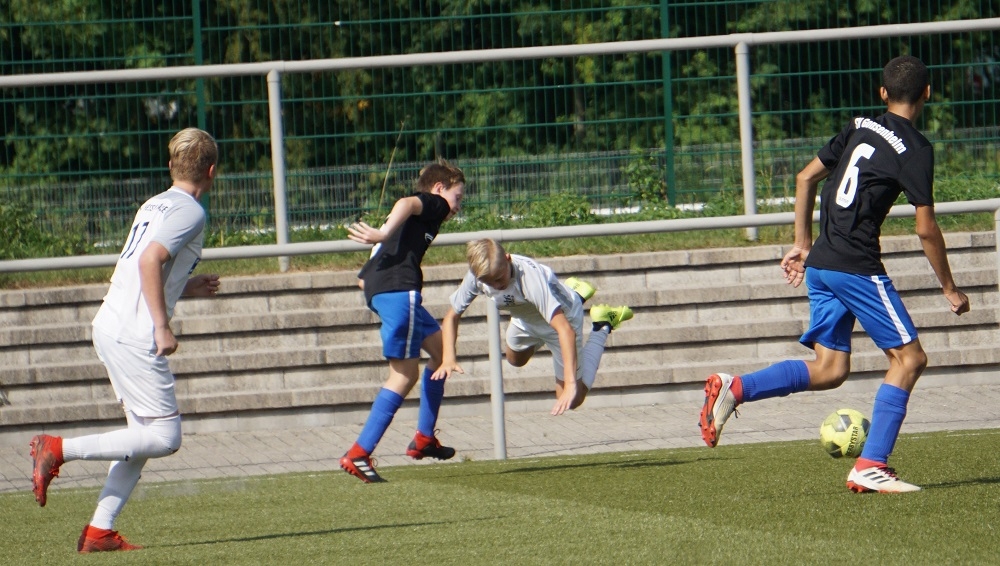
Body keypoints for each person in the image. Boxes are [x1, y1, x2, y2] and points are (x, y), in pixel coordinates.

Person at [698, 55, 970, 493]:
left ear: (883, 93)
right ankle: (871, 464)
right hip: (855, 265)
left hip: (822, 264)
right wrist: (950, 287)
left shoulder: (860, 125)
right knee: (910, 359)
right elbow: (925, 228)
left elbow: (806, 178)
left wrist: (802, 244)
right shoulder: (917, 149)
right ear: (927, 93)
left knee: (830, 369)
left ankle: (736, 387)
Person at [29, 127, 221, 552]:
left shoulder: (155, 203)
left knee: (142, 437)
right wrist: (161, 326)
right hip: (134, 333)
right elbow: (150, 261)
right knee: (165, 437)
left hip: (112, 323)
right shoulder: (191, 211)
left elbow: (143, 266)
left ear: (171, 167)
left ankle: (100, 531)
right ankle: (57, 448)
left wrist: (186, 287)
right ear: (212, 171)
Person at [339, 161, 465, 483]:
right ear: (439, 189)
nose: (456, 207)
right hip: (399, 291)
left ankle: (424, 438)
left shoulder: (412, 221)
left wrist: (383, 240)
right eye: (457, 197)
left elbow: (364, 278)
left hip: (383, 291)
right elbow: (407, 202)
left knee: (442, 354)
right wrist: (382, 233)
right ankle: (359, 453)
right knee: (404, 375)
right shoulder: (433, 204)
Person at [433, 238, 633, 416]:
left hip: (562, 321)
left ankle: (602, 324)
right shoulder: (477, 275)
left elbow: (565, 331)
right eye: (489, 282)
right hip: (526, 319)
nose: (496, 286)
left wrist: (571, 384)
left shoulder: (529, 279)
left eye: (499, 279)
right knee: (515, 359)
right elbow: (451, 316)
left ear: (508, 259)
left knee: (572, 399)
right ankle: (575, 293)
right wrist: (448, 358)